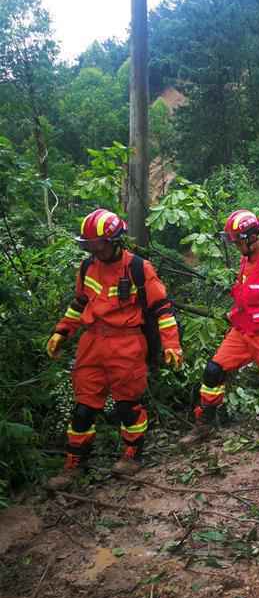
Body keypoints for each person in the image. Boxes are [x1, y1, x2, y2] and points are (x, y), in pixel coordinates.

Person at [45, 209, 183, 489]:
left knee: (127, 406)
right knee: (83, 408)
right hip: (92, 344)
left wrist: (172, 344)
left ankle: (132, 456)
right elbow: (79, 304)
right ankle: (74, 465)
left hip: (127, 343)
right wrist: (61, 332)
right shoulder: (87, 268)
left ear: (114, 240)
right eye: (89, 245)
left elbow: (162, 309)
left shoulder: (138, 268)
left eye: (98, 244)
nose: (94, 249)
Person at [180, 210, 259, 445]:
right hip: (242, 331)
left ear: (250, 237)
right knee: (213, 371)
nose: (236, 246)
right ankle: (204, 424)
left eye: (237, 241)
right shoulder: (245, 260)